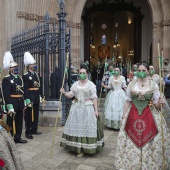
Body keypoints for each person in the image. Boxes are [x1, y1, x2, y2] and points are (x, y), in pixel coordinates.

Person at [114, 62, 170, 169]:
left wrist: (160, 102)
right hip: (133, 115)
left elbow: (158, 105)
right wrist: (123, 117)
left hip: (150, 115)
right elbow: (127, 101)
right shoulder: (132, 84)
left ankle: (148, 164)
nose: (141, 73)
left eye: (143, 71)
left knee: (151, 139)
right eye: (139, 70)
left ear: (148, 71)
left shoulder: (154, 85)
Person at [60, 67, 104, 157]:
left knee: (86, 127)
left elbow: (94, 98)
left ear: (87, 74)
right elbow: (71, 95)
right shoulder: (75, 84)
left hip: (87, 108)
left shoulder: (91, 85)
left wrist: (96, 110)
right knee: (76, 126)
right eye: (80, 72)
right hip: (76, 108)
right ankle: (76, 147)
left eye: (83, 72)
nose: (82, 74)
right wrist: (64, 92)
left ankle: (85, 148)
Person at [2, 52, 27, 144]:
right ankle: (10, 138)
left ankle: (18, 137)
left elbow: (22, 91)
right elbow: (6, 94)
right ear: (10, 69)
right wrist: (9, 106)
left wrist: (24, 102)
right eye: (14, 67)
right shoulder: (7, 79)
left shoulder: (20, 78)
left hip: (20, 102)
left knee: (19, 121)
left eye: (17, 67)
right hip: (12, 102)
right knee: (10, 121)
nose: (16, 68)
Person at [22, 52, 42, 139]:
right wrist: (26, 99)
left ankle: (34, 129)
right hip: (30, 96)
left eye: (35, 64)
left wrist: (40, 95)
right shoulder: (26, 76)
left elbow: (39, 86)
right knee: (29, 115)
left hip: (36, 96)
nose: (34, 65)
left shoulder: (36, 74)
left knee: (36, 113)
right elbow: (25, 89)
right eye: (33, 64)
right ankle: (28, 131)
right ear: (29, 65)